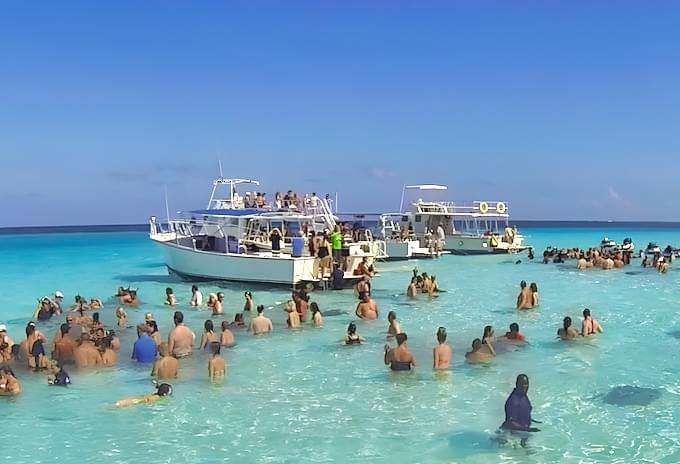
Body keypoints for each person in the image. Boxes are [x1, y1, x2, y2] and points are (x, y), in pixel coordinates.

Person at [500, 374, 540, 447]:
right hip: (511, 434)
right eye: (522, 384)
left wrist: (532, 420)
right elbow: (511, 423)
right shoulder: (513, 401)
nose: (525, 386)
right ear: (517, 384)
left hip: (521, 432)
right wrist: (528, 429)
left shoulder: (523, 395)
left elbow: (523, 412)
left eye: (526, 384)